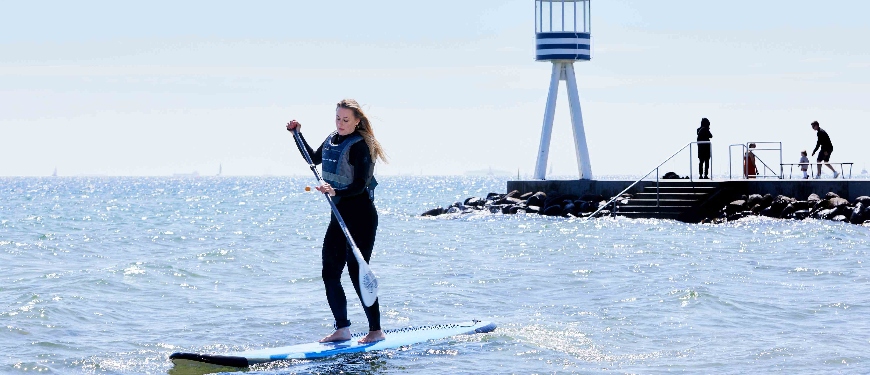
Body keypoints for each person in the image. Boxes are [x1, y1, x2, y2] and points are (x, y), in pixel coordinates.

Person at [286, 98, 389, 344]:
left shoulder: (361, 146)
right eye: (338, 118)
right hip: (339, 216)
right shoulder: (333, 139)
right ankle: (342, 329)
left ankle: (375, 330)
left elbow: (359, 185)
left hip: (361, 217)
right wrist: (296, 134)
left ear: (357, 121)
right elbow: (312, 157)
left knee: (356, 272)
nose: (340, 124)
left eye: (346, 120)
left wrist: (334, 191)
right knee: (329, 272)